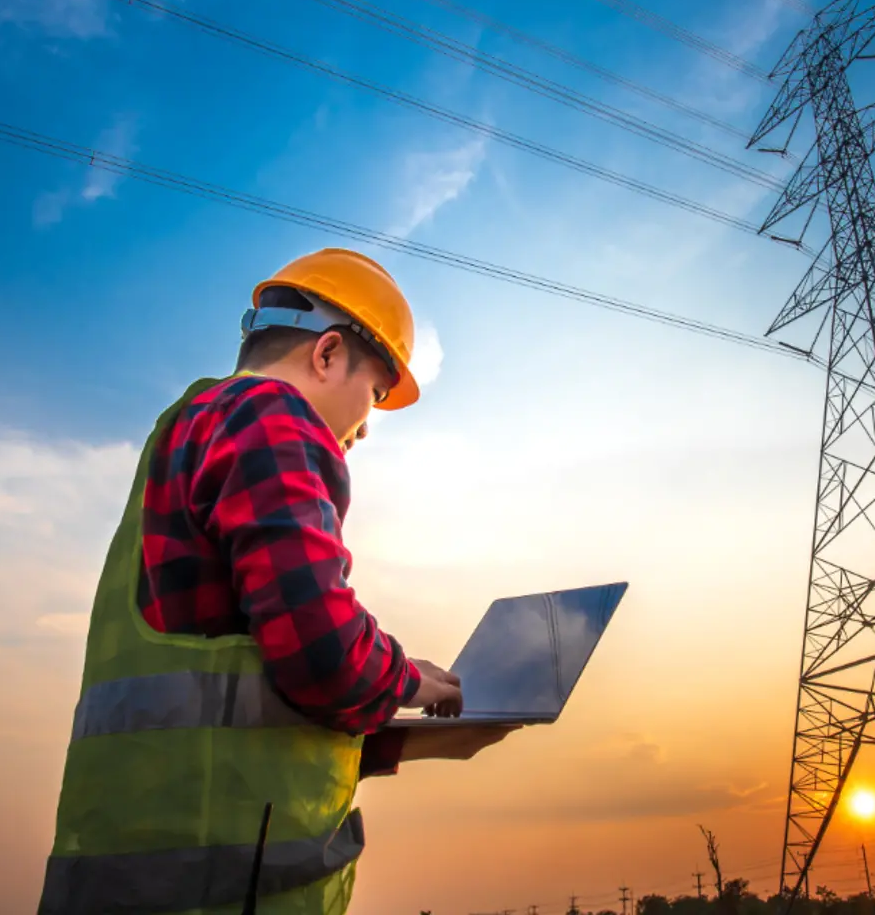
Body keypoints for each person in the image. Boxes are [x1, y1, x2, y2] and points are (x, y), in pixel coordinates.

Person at [37, 247, 516, 914]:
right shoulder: (270, 417)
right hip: (224, 891)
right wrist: (406, 678)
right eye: (372, 393)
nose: (366, 426)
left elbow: (233, 701)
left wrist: (409, 738)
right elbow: (321, 651)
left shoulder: (186, 430)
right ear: (326, 355)